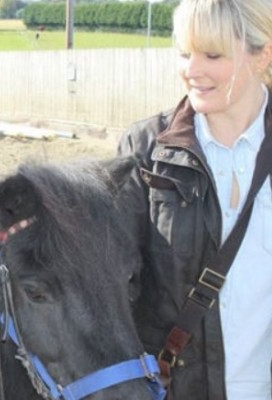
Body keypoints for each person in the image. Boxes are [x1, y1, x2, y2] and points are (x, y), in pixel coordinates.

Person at [117, 0, 272, 399]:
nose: (191, 69)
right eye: (185, 53)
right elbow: (114, 282)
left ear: (262, 55)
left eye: (212, 54)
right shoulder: (146, 150)